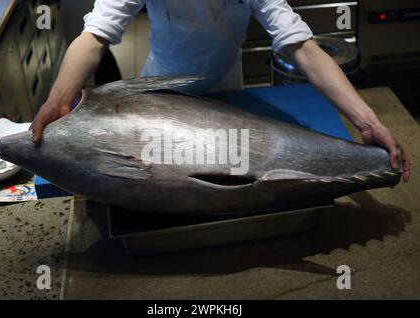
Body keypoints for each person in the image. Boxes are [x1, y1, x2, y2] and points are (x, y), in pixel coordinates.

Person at [31, 0, 410, 182]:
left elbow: (301, 47)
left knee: (236, 181)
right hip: (161, 97)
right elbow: (95, 36)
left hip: (229, 94)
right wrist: (59, 99)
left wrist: (368, 120)